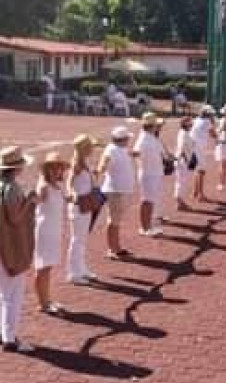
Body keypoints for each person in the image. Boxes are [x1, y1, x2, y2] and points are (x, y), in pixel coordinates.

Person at [0, 146, 37, 353]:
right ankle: (10, 337)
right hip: (6, 242)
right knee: (12, 291)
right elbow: (15, 218)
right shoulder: (12, 187)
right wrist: (30, 201)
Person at [33, 152, 69, 314]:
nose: (57, 171)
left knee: (48, 267)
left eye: (59, 167)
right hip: (45, 231)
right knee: (43, 268)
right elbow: (34, 203)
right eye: (53, 168)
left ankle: (47, 299)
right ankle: (43, 302)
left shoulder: (57, 186)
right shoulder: (44, 186)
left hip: (54, 229)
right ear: (46, 169)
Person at [67, 134, 102, 284]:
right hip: (79, 204)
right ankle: (74, 273)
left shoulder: (83, 162)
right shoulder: (77, 164)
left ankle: (81, 269)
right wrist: (73, 194)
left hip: (86, 203)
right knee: (77, 239)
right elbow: (70, 182)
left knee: (81, 239)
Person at [98, 126, 136, 258]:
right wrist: (101, 168)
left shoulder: (120, 149)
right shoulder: (111, 150)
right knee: (114, 220)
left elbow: (125, 153)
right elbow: (105, 161)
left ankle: (116, 247)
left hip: (121, 190)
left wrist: (133, 154)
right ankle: (113, 248)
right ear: (122, 139)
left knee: (116, 220)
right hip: (116, 191)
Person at [133, 113, 166, 236]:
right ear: (151, 125)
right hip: (148, 174)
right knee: (147, 201)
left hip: (154, 173)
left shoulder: (151, 136)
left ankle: (148, 225)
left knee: (150, 201)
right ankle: (145, 228)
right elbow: (136, 152)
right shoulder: (143, 138)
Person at [190, 105, 216, 202]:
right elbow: (213, 134)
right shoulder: (207, 122)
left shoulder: (196, 120)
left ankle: (195, 191)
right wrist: (213, 124)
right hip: (199, 148)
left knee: (198, 170)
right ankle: (200, 194)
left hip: (194, 147)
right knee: (201, 171)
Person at [174, 117, 196, 210]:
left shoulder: (185, 133)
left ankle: (180, 200)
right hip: (183, 161)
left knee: (182, 181)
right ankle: (179, 201)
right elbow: (182, 148)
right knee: (182, 182)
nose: (191, 125)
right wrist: (187, 160)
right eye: (190, 123)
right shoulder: (183, 134)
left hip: (184, 160)